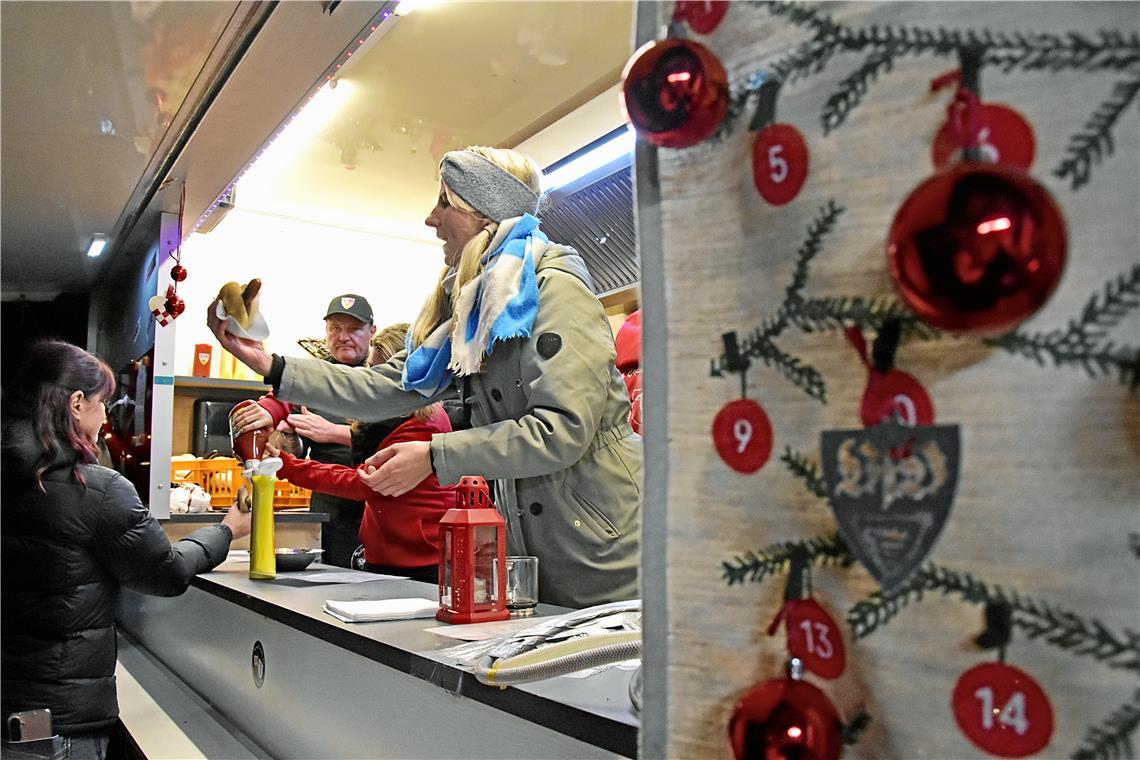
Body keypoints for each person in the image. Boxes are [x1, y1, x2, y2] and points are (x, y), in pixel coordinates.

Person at [223, 146, 641, 608]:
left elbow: (563, 430)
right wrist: (271, 365)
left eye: (445, 202)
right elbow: (386, 386)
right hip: (534, 545)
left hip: (599, 544)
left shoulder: (553, 288)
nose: (431, 219)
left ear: (481, 211)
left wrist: (436, 455)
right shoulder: (475, 308)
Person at [1, 339, 250, 758]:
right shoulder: (95, 489)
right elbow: (164, 573)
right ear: (77, 403)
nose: (105, 418)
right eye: (103, 404)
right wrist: (225, 531)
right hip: (56, 727)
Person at [262, 323, 456, 583]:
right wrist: (272, 408)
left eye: (382, 375)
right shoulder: (389, 417)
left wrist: (288, 466)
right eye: (371, 373)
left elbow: (363, 482)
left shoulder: (422, 425)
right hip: (387, 550)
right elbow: (304, 388)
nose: (374, 385)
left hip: (420, 559)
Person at [250, 294, 377, 568]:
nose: (343, 337)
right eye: (335, 328)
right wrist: (289, 435)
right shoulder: (312, 380)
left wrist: (334, 431)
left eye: (354, 329)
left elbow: (403, 439)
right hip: (330, 505)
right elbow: (295, 452)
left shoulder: (383, 378)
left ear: (372, 331)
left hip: (379, 502)